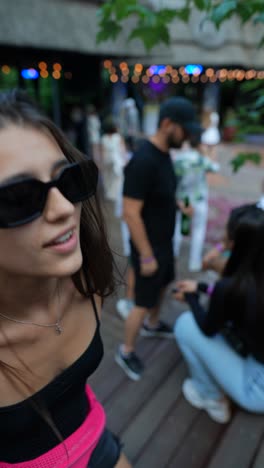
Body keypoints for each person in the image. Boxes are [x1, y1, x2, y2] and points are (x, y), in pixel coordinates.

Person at [0, 90, 131, 467]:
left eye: (69, 180)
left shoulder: (85, 278)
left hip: (95, 438)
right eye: (20, 197)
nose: (63, 209)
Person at [115, 96, 199, 381]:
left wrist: (178, 205)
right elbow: (130, 212)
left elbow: (158, 195)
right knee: (142, 300)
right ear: (167, 124)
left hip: (164, 242)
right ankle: (126, 350)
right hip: (148, 247)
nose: (188, 136)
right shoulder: (143, 161)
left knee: (163, 285)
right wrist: (147, 255)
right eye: (184, 129)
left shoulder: (164, 156)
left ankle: (153, 324)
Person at [173, 203, 264, 424]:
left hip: (256, 389)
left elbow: (207, 327)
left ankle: (211, 397)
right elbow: (239, 297)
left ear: (235, 244)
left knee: (185, 325)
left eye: (227, 231)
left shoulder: (231, 287)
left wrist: (192, 298)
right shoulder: (253, 281)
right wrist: (202, 288)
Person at [173, 126, 220, 272]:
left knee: (178, 228)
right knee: (198, 230)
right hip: (199, 199)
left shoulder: (179, 160)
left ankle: (173, 254)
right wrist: (208, 153)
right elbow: (215, 168)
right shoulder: (202, 160)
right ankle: (194, 263)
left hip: (183, 198)